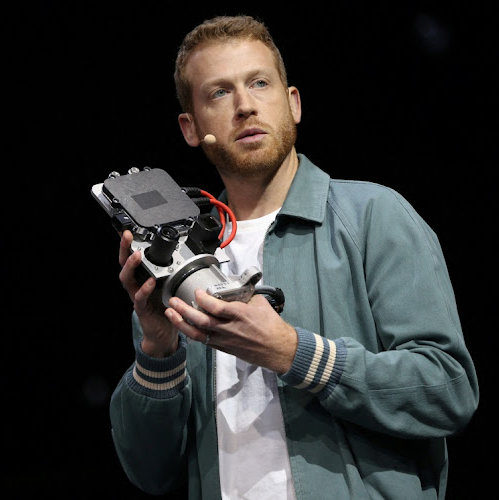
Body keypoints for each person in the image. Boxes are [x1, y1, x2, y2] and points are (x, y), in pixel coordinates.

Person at [109, 14, 479, 499]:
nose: (244, 106)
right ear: (191, 127)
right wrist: (157, 351)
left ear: (293, 104)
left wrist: (293, 353)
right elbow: (150, 472)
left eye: (259, 83)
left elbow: (447, 389)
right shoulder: (177, 264)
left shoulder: (372, 214)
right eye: (219, 93)